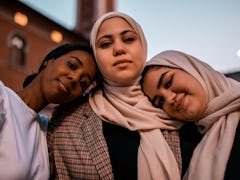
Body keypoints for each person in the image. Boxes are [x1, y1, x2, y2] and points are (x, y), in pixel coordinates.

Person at [47, 12, 202, 180]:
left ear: (143, 45)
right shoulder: (67, 119)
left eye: (128, 39)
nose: (119, 49)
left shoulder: (173, 101)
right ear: (95, 56)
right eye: (105, 44)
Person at [0, 43, 97, 180]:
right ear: (48, 61)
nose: (75, 79)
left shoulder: (49, 132)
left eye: (83, 83)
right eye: (72, 65)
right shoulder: (3, 98)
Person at [141, 50, 240, 180]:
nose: (169, 99)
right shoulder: (187, 150)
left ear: (192, 68)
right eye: (160, 102)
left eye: (169, 82)